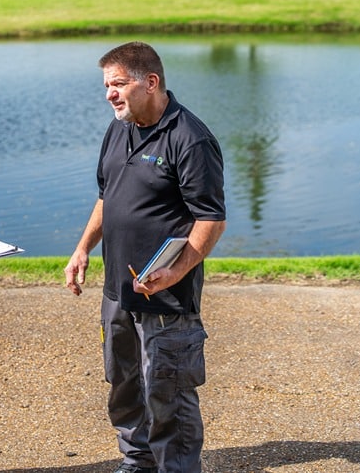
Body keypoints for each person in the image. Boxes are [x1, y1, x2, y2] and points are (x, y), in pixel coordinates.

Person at [64, 42, 226, 473]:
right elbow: (107, 197)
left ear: (150, 82)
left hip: (167, 297)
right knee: (124, 383)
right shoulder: (119, 128)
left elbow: (210, 219)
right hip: (118, 289)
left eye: (118, 84)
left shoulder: (189, 138)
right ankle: (137, 461)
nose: (109, 94)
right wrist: (83, 248)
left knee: (168, 389)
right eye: (106, 85)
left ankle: (176, 467)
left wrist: (176, 272)